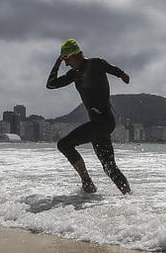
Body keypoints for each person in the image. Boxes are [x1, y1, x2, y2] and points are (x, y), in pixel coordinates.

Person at [46, 38, 131, 194]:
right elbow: (51, 84)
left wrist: (122, 75)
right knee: (109, 167)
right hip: (98, 124)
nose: (67, 64)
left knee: (64, 145)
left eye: (67, 59)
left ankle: (87, 182)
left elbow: (114, 69)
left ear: (75, 55)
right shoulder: (74, 74)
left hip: (104, 121)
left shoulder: (96, 63)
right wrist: (58, 61)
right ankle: (130, 196)